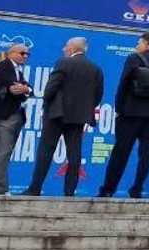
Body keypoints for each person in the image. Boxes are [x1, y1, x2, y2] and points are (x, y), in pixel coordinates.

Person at [99, 33, 149, 199]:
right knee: (145, 156)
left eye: (139, 43)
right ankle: (137, 188)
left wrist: (119, 109)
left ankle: (108, 189)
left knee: (120, 153)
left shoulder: (134, 59)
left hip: (130, 114)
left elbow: (123, 84)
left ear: (147, 44)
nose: (136, 46)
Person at [23, 37, 103, 198]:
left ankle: (35, 188)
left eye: (66, 46)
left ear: (73, 49)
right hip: (79, 117)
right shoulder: (95, 68)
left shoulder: (63, 63)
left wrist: (47, 105)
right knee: (74, 154)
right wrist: (84, 108)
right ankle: (69, 191)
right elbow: (98, 95)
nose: (64, 49)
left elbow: (51, 87)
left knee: (45, 151)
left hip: (56, 114)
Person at [0, 41, 33, 196]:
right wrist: (23, 89)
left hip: (14, 115)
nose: (25, 56)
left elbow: (28, 88)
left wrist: (26, 89)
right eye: (22, 53)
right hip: (4, 116)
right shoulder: (5, 66)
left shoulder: (16, 69)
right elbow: (13, 89)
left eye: (27, 54)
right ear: (11, 53)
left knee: (4, 151)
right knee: (2, 151)